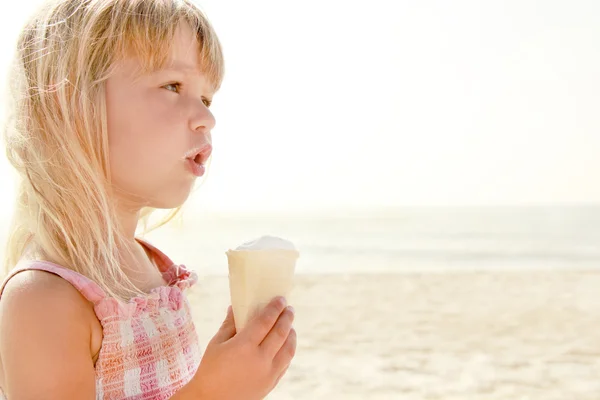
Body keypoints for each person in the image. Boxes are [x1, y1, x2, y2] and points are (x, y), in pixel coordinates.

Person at [0, 0, 296, 398]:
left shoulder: (149, 265)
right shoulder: (43, 299)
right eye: (173, 86)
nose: (207, 118)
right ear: (69, 104)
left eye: (207, 99)